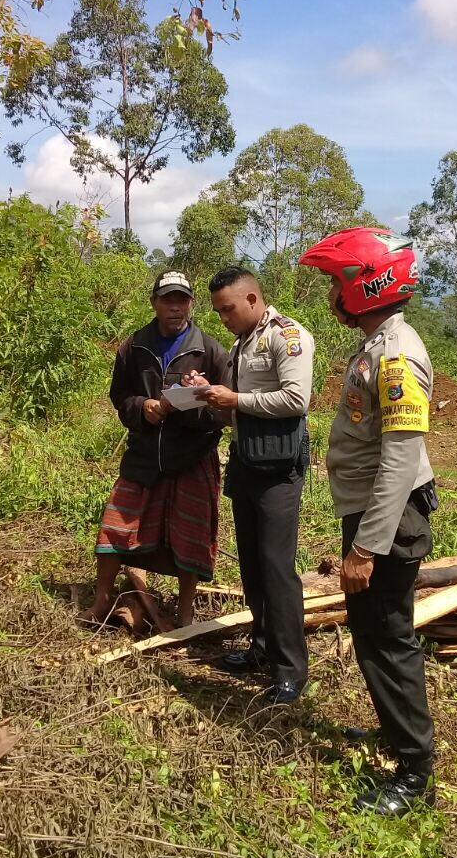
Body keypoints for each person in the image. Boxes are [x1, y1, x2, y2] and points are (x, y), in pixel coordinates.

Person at [299, 226, 438, 816]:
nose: (331, 294)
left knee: (387, 641)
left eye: (336, 281)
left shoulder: (398, 354)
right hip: (372, 515)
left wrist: (366, 548)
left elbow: (402, 457)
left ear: (365, 284)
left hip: (387, 519)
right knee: (373, 636)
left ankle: (413, 772)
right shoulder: (377, 344)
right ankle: (395, 737)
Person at [191, 266, 315, 705]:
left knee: (277, 569)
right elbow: (237, 411)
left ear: (251, 299)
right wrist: (210, 394)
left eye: (227, 309)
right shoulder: (242, 344)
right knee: (252, 565)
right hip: (247, 460)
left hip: (278, 470)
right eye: (218, 312)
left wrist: (234, 398)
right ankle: (262, 648)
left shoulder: (287, 336)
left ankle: (290, 670)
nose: (222, 318)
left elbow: (297, 399)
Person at [81, 270, 230, 627]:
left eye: (182, 300)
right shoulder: (134, 346)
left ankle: (185, 611)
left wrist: (200, 401)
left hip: (191, 457)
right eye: (167, 299)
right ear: (154, 303)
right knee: (115, 527)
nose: (175, 307)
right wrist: (142, 408)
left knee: (191, 535)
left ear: (192, 304)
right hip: (145, 454)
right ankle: (102, 602)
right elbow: (119, 396)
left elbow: (226, 410)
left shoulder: (210, 351)